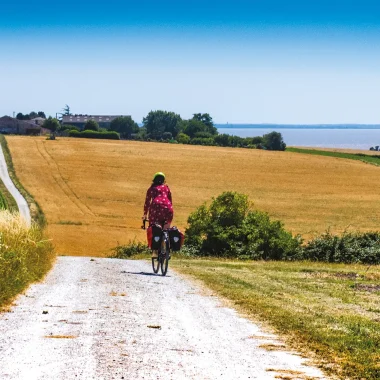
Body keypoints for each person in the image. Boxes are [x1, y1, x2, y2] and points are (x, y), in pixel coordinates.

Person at [143, 172, 174, 257]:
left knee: (154, 229)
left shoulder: (152, 188)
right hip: (168, 209)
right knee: (166, 229)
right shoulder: (167, 188)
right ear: (164, 180)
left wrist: (145, 214)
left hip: (156, 210)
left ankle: (155, 252)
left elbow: (147, 202)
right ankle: (167, 249)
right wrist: (169, 210)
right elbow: (170, 200)